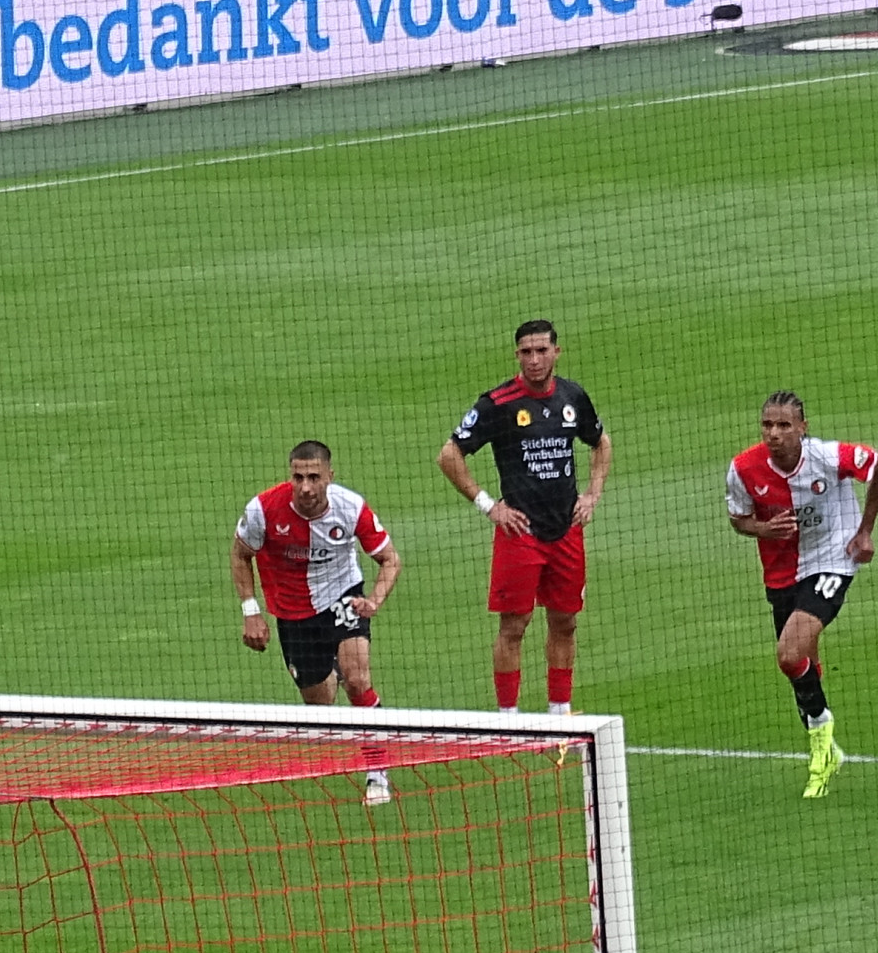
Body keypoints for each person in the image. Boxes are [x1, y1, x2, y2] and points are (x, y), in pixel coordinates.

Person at [435, 317, 610, 715]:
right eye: (526, 352)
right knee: (514, 626)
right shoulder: (498, 403)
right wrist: (489, 506)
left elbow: (601, 443)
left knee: (565, 622)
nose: (534, 360)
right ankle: (508, 718)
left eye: (542, 350)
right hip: (520, 532)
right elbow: (449, 454)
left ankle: (560, 711)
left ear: (556, 352)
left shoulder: (572, 397)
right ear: (517, 355)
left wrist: (593, 494)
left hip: (566, 529)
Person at [724, 391, 878, 801]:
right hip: (781, 574)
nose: (775, 434)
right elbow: (738, 519)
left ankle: (820, 738)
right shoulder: (743, 468)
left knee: (787, 652)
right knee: (802, 663)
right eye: (768, 425)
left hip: (833, 560)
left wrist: (865, 530)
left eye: (784, 425)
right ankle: (828, 748)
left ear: (803, 426)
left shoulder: (827, 457)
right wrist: (762, 530)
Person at [231, 437, 402, 806]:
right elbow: (240, 554)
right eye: (298, 477)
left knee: (358, 679)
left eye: (313, 477)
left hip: (343, 597)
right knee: (321, 705)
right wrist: (251, 611)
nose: (305, 487)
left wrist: (373, 600)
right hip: (292, 613)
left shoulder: (350, 507)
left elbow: (390, 559)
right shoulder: (263, 510)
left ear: (329, 476)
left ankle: (377, 772)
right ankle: (333, 670)